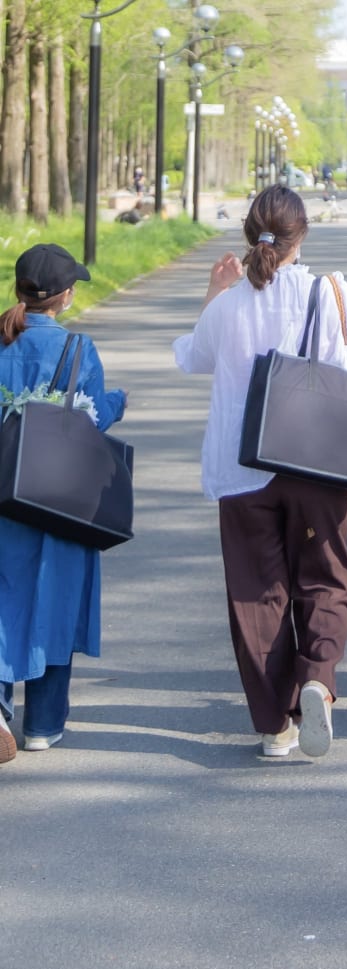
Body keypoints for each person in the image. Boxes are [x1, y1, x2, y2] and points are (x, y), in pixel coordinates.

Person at [172, 185, 347, 758]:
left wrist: (212, 291)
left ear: (251, 235)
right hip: (319, 463)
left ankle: (277, 726)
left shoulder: (228, 305)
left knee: (257, 593)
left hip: (242, 465)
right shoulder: (332, 293)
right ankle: (318, 681)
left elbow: (191, 357)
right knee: (327, 575)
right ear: (303, 235)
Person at [0, 244, 128, 758]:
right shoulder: (77, 349)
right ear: (66, 297)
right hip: (57, 500)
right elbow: (90, 420)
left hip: (3, 499)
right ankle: (43, 725)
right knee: (54, 596)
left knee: (4, 597)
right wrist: (118, 400)